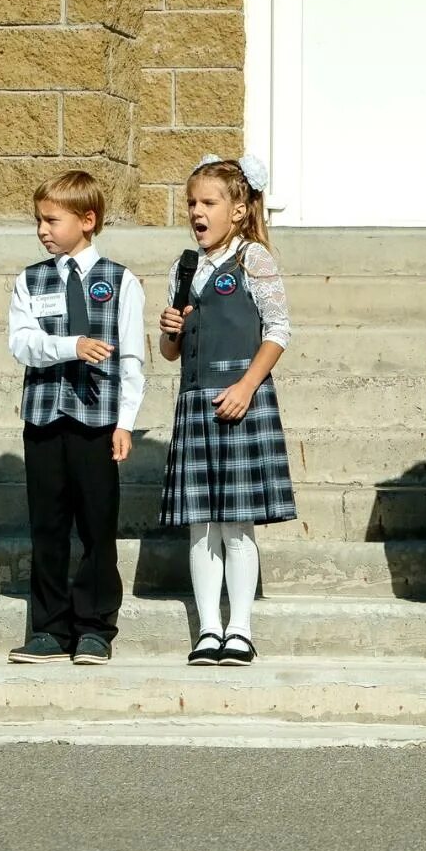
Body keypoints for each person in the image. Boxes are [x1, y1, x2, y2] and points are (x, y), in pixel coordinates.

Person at [158, 155, 296, 667]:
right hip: (195, 398)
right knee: (202, 524)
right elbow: (171, 353)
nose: (197, 211)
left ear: (238, 210)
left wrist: (246, 386)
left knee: (236, 523)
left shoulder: (252, 259)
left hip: (241, 398)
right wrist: (171, 330)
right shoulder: (185, 266)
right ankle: (207, 630)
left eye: (208, 202)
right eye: (192, 202)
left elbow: (278, 329)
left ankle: (240, 628)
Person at [6, 171, 145, 665]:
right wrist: (69, 346)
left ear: (87, 221)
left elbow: (131, 358)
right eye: (38, 220)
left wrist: (125, 421)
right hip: (44, 418)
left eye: (51, 219)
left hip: (98, 420)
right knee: (47, 523)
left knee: (96, 524)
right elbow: (21, 342)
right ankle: (48, 627)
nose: (42, 229)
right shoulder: (30, 279)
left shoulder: (121, 280)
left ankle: (94, 626)